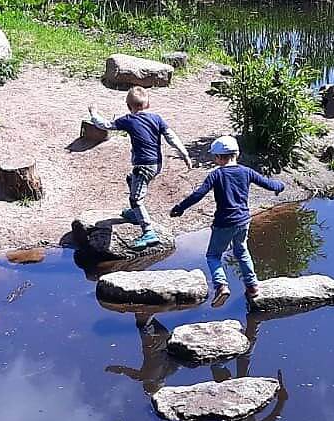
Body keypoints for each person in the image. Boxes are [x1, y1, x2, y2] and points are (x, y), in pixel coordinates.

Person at [170, 134, 284, 307]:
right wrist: (279, 186)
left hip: (223, 223)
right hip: (243, 221)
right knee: (242, 251)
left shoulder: (216, 175)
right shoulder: (246, 171)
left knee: (213, 255)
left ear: (217, 157)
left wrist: (180, 207)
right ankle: (252, 286)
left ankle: (221, 285)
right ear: (236, 154)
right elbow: (268, 184)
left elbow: (198, 194)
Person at [88, 87, 192, 250]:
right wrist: (184, 154)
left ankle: (148, 231)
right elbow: (171, 137)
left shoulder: (128, 120)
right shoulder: (157, 118)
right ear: (148, 104)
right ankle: (134, 214)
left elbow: (105, 125)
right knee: (131, 179)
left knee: (136, 199)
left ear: (128, 106)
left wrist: (93, 113)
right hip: (156, 164)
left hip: (143, 166)